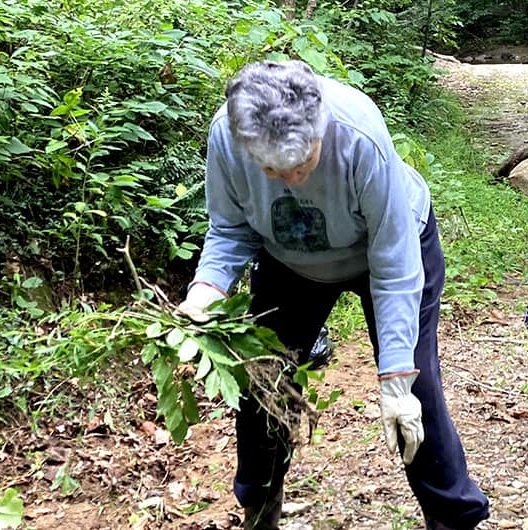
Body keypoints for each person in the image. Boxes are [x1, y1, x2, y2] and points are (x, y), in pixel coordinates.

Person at [176, 60, 490, 530]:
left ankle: (454, 518)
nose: (292, 180)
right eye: (273, 170)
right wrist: (205, 293)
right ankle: (259, 507)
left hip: (388, 248)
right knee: (265, 384)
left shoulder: (358, 134)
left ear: (321, 126)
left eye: (303, 164)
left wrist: (396, 380)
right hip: (289, 259)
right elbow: (229, 228)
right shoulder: (228, 134)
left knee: (415, 392)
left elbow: (395, 263)